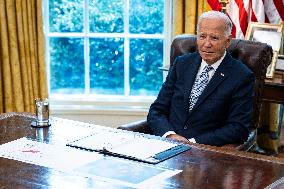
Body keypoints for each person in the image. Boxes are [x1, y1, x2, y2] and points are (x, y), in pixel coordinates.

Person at [147, 11, 255, 146]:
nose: (206, 44)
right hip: (167, 143)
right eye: (202, 36)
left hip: (204, 152)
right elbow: (157, 110)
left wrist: (192, 142)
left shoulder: (242, 76)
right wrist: (170, 135)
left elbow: (238, 128)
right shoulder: (181, 64)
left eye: (214, 38)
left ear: (227, 41)